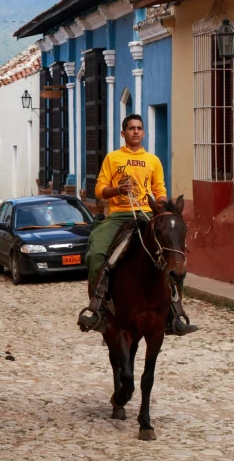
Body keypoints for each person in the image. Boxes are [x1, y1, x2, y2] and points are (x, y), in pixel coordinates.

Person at [77, 114, 198, 336]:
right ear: (123, 133)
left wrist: (162, 210)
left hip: (146, 215)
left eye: (139, 128)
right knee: (96, 254)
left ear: (143, 133)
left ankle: (175, 313)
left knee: (172, 256)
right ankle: (97, 309)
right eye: (131, 128)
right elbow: (99, 190)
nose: (135, 131)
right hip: (118, 216)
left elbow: (159, 191)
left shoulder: (153, 160)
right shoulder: (113, 158)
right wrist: (117, 190)